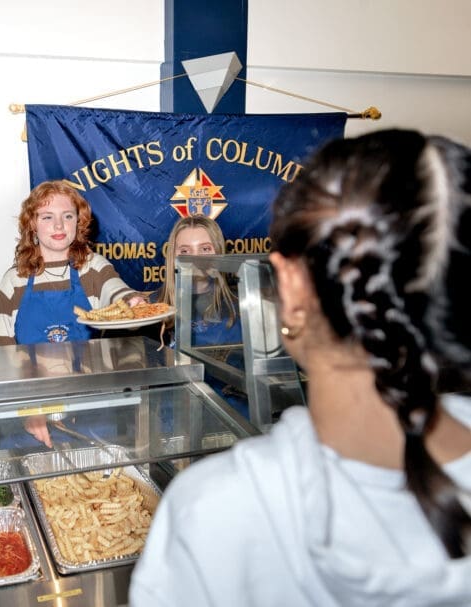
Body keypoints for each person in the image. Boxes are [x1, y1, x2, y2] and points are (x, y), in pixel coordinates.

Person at [129, 129, 471, 606]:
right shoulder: (158, 311)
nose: (198, 262)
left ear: (286, 287)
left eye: (206, 250)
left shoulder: (210, 512)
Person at [0, 179, 144, 447]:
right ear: (32, 224)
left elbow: (115, 290)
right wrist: (26, 410)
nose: (59, 226)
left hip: (93, 410)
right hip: (34, 413)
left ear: (78, 222)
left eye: (68, 216)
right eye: (47, 217)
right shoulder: (14, 280)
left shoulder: (92, 268)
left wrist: (130, 301)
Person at [151, 214, 242, 347]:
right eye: (185, 251)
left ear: (219, 252)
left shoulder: (241, 305)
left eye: (205, 249)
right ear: (173, 257)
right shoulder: (152, 308)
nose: (195, 258)